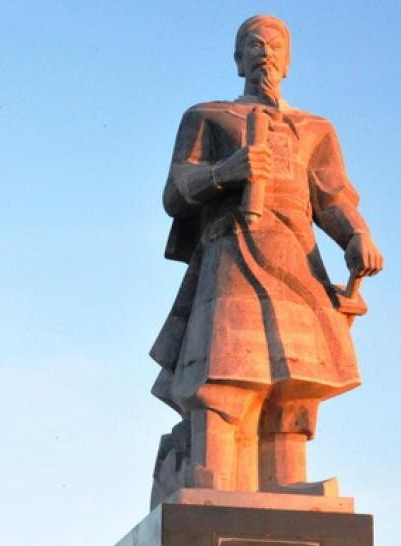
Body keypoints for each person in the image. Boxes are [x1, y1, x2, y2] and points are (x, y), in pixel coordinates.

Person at [150, 14, 383, 506]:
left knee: (294, 378)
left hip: (296, 259)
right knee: (225, 372)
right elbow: (176, 191)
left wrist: (357, 236)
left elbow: (333, 197)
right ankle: (210, 474)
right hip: (231, 253)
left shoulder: (315, 129)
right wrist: (224, 172)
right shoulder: (208, 116)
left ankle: (282, 480)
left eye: (275, 45)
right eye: (254, 43)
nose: (265, 52)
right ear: (238, 59)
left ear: (289, 59)